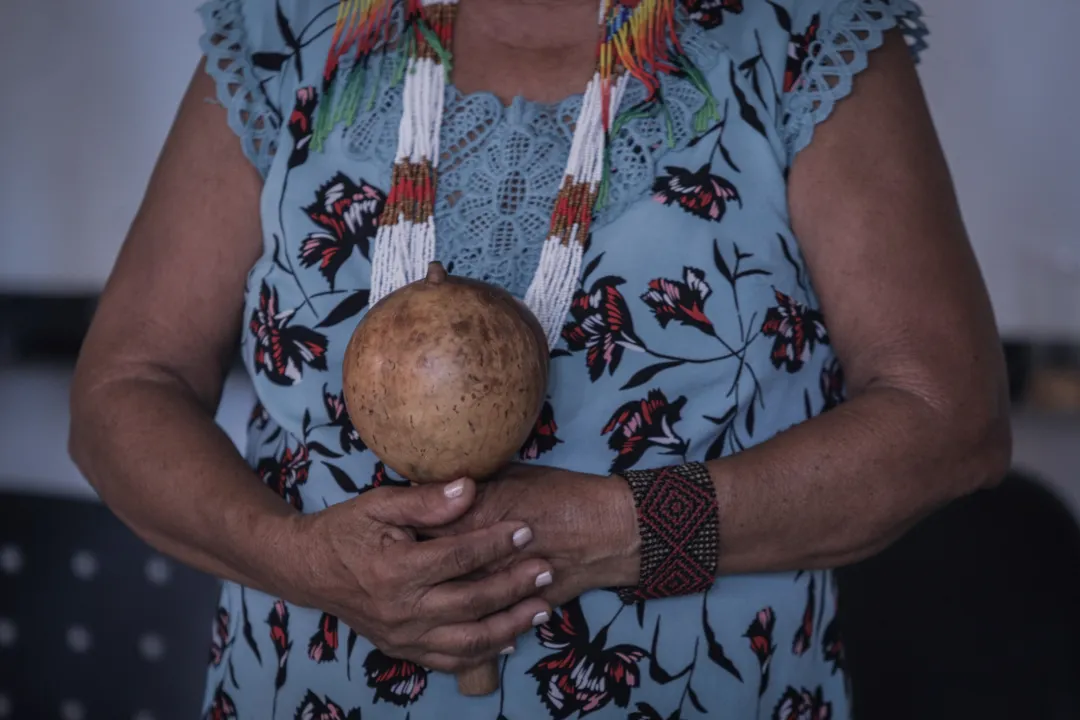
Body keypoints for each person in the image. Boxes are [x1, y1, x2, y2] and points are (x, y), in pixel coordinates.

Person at [69, 0, 1010, 717]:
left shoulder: (791, 29)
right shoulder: (298, 28)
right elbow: (124, 388)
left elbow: (946, 419)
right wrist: (300, 561)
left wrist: (621, 533)